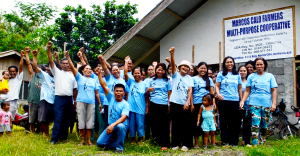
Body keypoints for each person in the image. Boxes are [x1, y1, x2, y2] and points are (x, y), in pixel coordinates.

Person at [65, 50, 102, 146]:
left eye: (90, 69)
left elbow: (97, 93)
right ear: (82, 70)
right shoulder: (79, 77)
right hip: (81, 101)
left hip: (91, 102)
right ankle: (82, 140)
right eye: (87, 69)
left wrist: (100, 103)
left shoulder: (94, 80)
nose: (89, 70)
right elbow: (73, 68)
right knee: (81, 120)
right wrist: (68, 57)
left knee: (90, 122)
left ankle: (89, 140)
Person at [240, 57, 277, 145]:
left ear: (264, 65)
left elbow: (274, 90)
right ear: (255, 66)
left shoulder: (270, 76)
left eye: (261, 64)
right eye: (257, 64)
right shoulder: (251, 76)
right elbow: (247, 90)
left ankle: (262, 143)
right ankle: (255, 144)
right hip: (253, 104)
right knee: (255, 125)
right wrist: (242, 101)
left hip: (266, 104)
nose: (259, 66)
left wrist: (274, 104)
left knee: (264, 125)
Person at [47, 42, 77, 144]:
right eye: (63, 63)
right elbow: (51, 61)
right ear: (61, 64)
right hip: (59, 99)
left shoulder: (72, 76)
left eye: (67, 63)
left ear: (69, 65)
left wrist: (74, 101)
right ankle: (54, 139)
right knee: (58, 119)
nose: (65, 65)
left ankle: (64, 138)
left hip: (69, 99)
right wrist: (49, 48)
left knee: (67, 120)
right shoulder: (57, 73)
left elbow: (74, 90)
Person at [96, 62, 130, 153]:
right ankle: (116, 143)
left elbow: (123, 118)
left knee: (121, 126)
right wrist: (99, 74)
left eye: (120, 91)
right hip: (111, 126)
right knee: (99, 143)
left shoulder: (125, 104)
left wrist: (112, 125)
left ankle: (119, 148)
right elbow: (104, 85)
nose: (118, 93)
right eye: (116, 91)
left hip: (119, 126)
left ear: (123, 93)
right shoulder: (111, 98)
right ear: (114, 92)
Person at [169, 47, 194, 151]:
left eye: (187, 67)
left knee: (185, 125)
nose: (185, 68)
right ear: (179, 67)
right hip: (175, 103)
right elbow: (173, 66)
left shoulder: (189, 78)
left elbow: (190, 91)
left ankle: (185, 144)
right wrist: (172, 55)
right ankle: (175, 144)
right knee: (175, 124)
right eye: (183, 66)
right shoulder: (175, 75)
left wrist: (188, 102)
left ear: (189, 69)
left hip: (184, 104)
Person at [215, 56, 243, 146]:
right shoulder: (220, 74)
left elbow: (240, 88)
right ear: (225, 64)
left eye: (231, 62)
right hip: (224, 100)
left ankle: (233, 142)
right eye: (227, 62)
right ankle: (225, 141)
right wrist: (218, 94)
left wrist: (241, 100)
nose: (229, 64)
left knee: (233, 122)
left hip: (234, 100)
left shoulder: (237, 74)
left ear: (233, 63)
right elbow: (217, 86)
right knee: (223, 121)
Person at [146, 63, 171, 150]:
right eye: (158, 69)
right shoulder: (151, 80)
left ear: (165, 71)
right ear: (155, 70)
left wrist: (169, 105)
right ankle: (156, 142)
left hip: (164, 104)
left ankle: (165, 144)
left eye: (162, 70)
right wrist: (148, 90)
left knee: (164, 125)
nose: (160, 71)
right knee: (155, 124)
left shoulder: (167, 81)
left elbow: (169, 94)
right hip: (153, 103)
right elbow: (146, 94)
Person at [32, 49, 55, 140]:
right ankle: (46, 135)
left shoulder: (58, 77)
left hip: (55, 101)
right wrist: (34, 56)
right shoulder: (44, 75)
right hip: (45, 100)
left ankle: (53, 134)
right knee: (44, 119)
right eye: (49, 67)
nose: (50, 68)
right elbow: (35, 67)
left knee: (52, 120)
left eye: (52, 67)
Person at [191, 62, 215, 148]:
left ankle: (206, 142)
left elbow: (212, 94)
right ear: (197, 69)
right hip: (196, 103)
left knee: (207, 122)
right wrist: (191, 104)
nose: (203, 70)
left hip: (207, 105)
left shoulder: (210, 80)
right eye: (201, 68)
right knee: (197, 123)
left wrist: (214, 104)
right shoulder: (193, 79)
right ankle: (196, 143)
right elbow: (190, 92)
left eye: (205, 68)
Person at [124, 56, 147, 143]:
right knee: (132, 124)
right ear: (133, 74)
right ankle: (133, 140)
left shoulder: (144, 84)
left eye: (138, 73)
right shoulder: (130, 82)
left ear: (141, 75)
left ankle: (141, 139)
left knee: (140, 124)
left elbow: (147, 96)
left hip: (141, 107)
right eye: (135, 73)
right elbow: (125, 73)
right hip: (131, 107)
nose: (137, 75)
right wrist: (126, 62)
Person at [0, 50, 24, 121]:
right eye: (10, 71)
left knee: (10, 118)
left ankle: (9, 131)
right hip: (3, 100)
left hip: (13, 101)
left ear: (17, 72)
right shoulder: (6, 80)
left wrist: (22, 56)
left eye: (14, 71)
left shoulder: (18, 79)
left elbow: (21, 67)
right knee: (1, 117)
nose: (12, 72)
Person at [24, 47, 43, 133]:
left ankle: (40, 131)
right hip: (33, 100)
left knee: (41, 117)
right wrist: (27, 54)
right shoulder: (33, 75)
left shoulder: (45, 77)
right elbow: (28, 64)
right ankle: (31, 131)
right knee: (32, 117)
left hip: (42, 100)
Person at [238, 65, 251, 146]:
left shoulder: (249, 82)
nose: (242, 72)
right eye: (241, 71)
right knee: (236, 125)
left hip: (247, 107)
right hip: (237, 107)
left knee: (247, 125)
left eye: (244, 71)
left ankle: (247, 141)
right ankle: (234, 141)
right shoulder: (236, 82)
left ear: (247, 72)